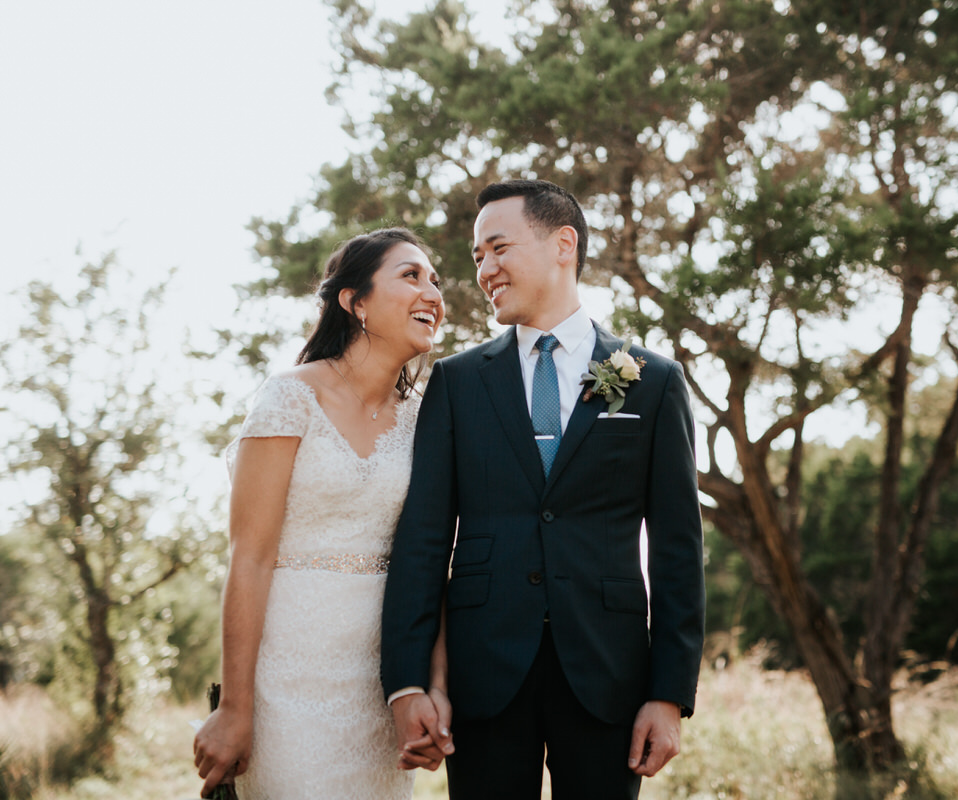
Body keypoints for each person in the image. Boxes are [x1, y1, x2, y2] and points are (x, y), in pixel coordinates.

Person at [381, 179, 705, 799]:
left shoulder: (654, 381)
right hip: (483, 675)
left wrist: (668, 694)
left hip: (609, 673)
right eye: (477, 257)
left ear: (563, 244)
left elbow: (677, 550)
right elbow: (423, 536)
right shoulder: (456, 383)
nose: (485, 269)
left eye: (497, 248)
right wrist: (408, 679)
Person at [193, 228, 447, 799]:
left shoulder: (427, 418)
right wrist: (235, 707)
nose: (432, 292)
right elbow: (250, 557)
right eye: (411, 275)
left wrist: (430, 685)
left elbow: (433, 564)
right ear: (354, 301)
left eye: (436, 280)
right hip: (288, 681)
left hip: (383, 689)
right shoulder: (288, 396)